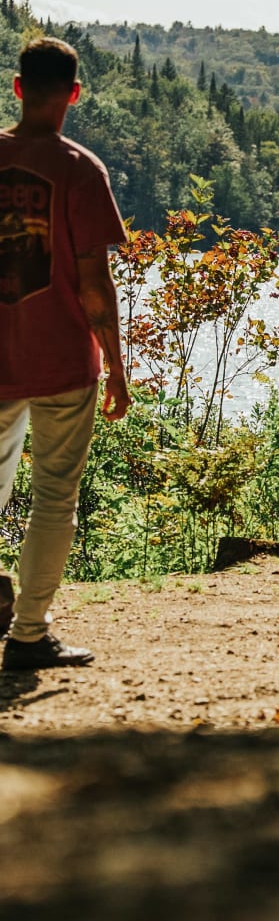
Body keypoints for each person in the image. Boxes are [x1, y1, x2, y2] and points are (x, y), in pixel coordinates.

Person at [0, 36, 129, 671]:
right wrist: (118, 368)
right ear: (74, 94)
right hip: (62, 362)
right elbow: (93, 283)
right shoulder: (81, 169)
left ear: (18, 87)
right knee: (54, 499)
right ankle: (29, 636)